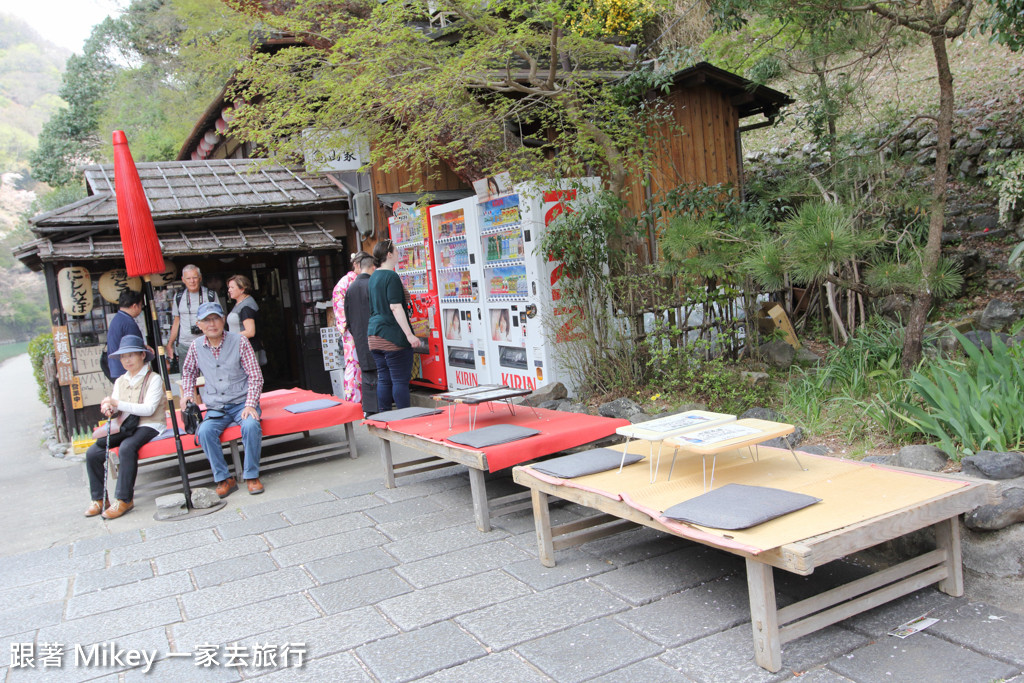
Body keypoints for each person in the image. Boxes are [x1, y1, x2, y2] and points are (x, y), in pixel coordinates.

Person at [180, 301, 265, 497]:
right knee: (204, 431)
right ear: (199, 324)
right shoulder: (195, 346)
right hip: (216, 406)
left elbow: (255, 375)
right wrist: (186, 394)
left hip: (242, 402)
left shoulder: (239, 341)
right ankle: (224, 478)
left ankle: (251, 475)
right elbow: (188, 373)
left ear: (223, 320)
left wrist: (251, 404)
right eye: (206, 320)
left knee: (251, 425)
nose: (212, 324)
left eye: (216, 318)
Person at [84, 335, 167, 519]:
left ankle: (124, 499)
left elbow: (149, 409)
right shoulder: (121, 380)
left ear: (142, 356)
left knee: (127, 447)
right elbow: (116, 407)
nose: (127, 360)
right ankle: (99, 499)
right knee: (92, 453)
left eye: (131, 355)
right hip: (126, 425)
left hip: (150, 424)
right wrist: (109, 408)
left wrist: (118, 403)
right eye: (123, 357)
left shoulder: (153, 379)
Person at [367, 240, 422, 411]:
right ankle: (404, 417)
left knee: (384, 379)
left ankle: (385, 417)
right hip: (392, 335)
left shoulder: (373, 277)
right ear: (389, 254)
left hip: (374, 334)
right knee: (399, 380)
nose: (399, 253)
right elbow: (396, 307)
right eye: (396, 251)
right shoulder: (391, 276)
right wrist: (409, 335)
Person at [332, 252, 370, 403]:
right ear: (355, 265)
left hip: (364, 327)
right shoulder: (344, 283)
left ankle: (368, 398)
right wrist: (349, 328)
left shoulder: (364, 279)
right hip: (352, 330)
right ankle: (354, 399)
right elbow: (339, 309)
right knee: (354, 364)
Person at [343, 252, 377, 415]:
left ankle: (369, 408)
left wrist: (355, 331)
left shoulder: (350, 289)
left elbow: (347, 318)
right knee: (380, 370)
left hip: (359, 334)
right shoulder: (373, 284)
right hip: (376, 332)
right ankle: (382, 404)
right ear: (373, 267)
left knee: (367, 370)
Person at [166, 265, 219, 365]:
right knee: (187, 377)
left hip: (207, 342)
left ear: (200, 278)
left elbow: (220, 319)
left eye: (194, 277)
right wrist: (170, 343)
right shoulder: (178, 296)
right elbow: (176, 321)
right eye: (188, 278)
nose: (192, 281)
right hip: (185, 345)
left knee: (210, 376)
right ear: (183, 280)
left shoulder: (210, 295)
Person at [226, 274, 265, 366]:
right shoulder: (240, 303)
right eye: (229, 287)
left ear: (242, 289)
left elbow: (250, 332)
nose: (229, 290)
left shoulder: (246, 306)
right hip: (240, 348)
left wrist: (228, 337)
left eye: (232, 287)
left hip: (247, 350)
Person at [105, 289, 144, 380]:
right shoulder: (128, 322)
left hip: (117, 368)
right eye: (140, 305)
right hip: (126, 369)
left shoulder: (117, 319)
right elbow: (135, 347)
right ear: (135, 306)